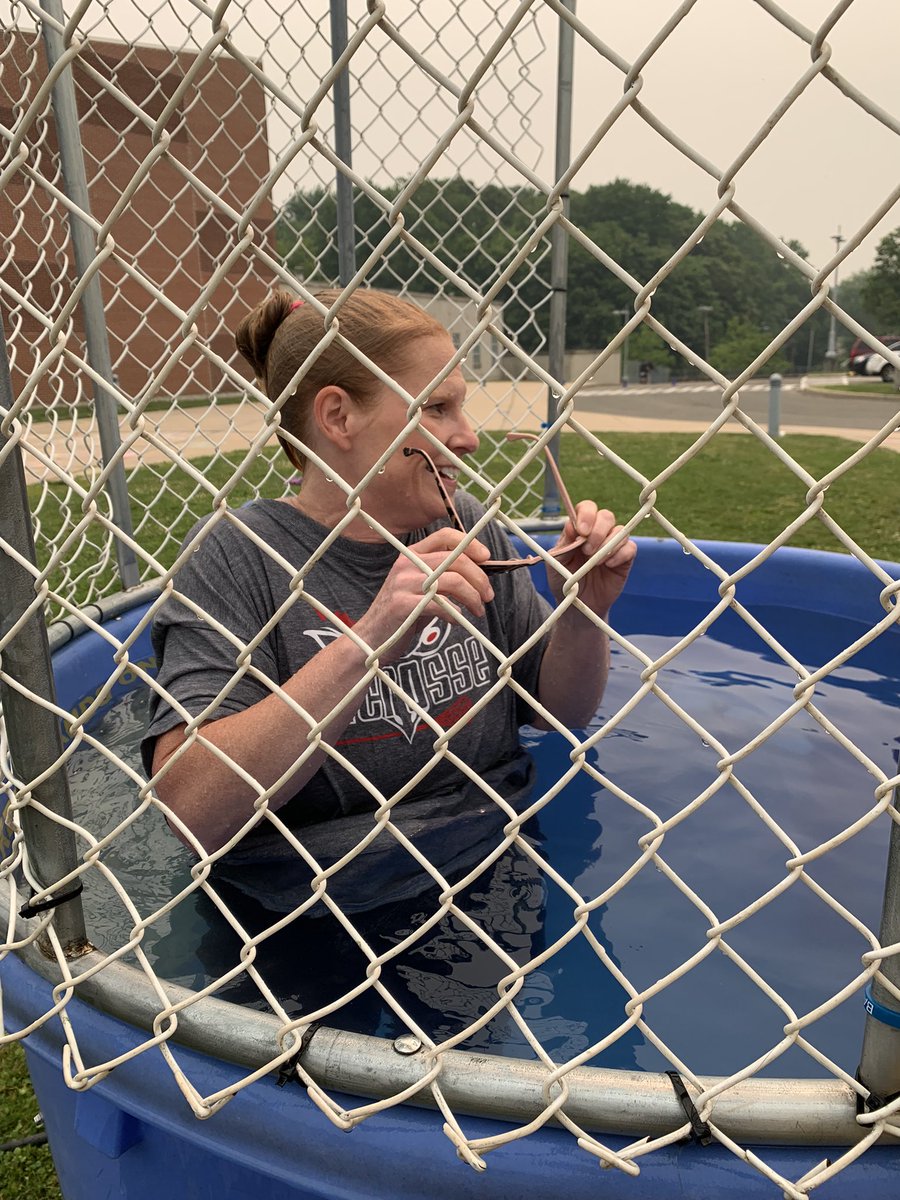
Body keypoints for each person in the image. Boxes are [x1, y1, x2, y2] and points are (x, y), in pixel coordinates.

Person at [141, 288, 636, 927]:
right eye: (437, 408)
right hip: (302, 908)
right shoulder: (242, 555)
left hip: (492, 861)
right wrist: (371, 639)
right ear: (338, 417)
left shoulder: (475, 531)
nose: (470, 437)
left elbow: (559, 710)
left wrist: (581, 609)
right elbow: (192, 809)